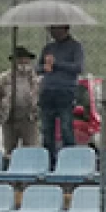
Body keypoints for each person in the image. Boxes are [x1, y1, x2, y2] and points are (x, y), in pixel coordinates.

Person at [37, 24, 85, 155]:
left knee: (66, 128)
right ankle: (49, 159)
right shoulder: (48, 48)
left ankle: (69, 157)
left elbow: (78, 67)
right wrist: (44, 67)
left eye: (54, 29)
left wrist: (56, 64)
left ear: (64, 29)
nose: (52, 32)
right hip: (47, 91)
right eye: (50, 29)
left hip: (65, 91)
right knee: (46, 129)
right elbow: (38, 68)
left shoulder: (75, 46)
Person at [0, 46, 39, 155]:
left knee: (31, 149)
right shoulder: (5, 77)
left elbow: (41, 97)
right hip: (10, 118)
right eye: (20, 59)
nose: (23, 61)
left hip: (29, 118)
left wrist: (37, 111)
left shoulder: (35, 78)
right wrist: (1, 114)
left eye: (25, 59)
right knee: (9, 150)